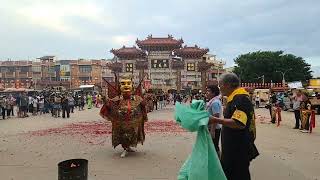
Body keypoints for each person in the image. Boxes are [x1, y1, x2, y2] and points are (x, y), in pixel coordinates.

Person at [209, 73, 259, 180]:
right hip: (233, 148)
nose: (219, 88)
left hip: (238, 149)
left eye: (220, 84)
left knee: (238, 175)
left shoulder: (240, 99)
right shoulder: (235, 98)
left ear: (227, 85)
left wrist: (215, 120)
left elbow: (239, 123)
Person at [100, 75, 148, 158]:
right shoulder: (117, 99)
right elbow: (110, 107)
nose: (126, 85)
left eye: (128, 83)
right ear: (120, 86)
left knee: (133, 135)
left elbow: (143, 107)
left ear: (132, 86)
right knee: (124, 135)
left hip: (134, 122)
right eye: (123, 83)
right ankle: (125, 148)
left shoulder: (137, 98)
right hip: (121, 123)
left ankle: (128, 147)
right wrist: (105, 101)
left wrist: (145, 101)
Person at [206, 85, 222, 155]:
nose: (206, 93)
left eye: (208, 91)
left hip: (214, 128)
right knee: (212, 147)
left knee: (214, 147)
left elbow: (216, 116)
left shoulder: (215, 102)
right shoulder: (212, 101)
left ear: (214, 93)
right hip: (210, 127)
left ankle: (218, 163)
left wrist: (212, 131)